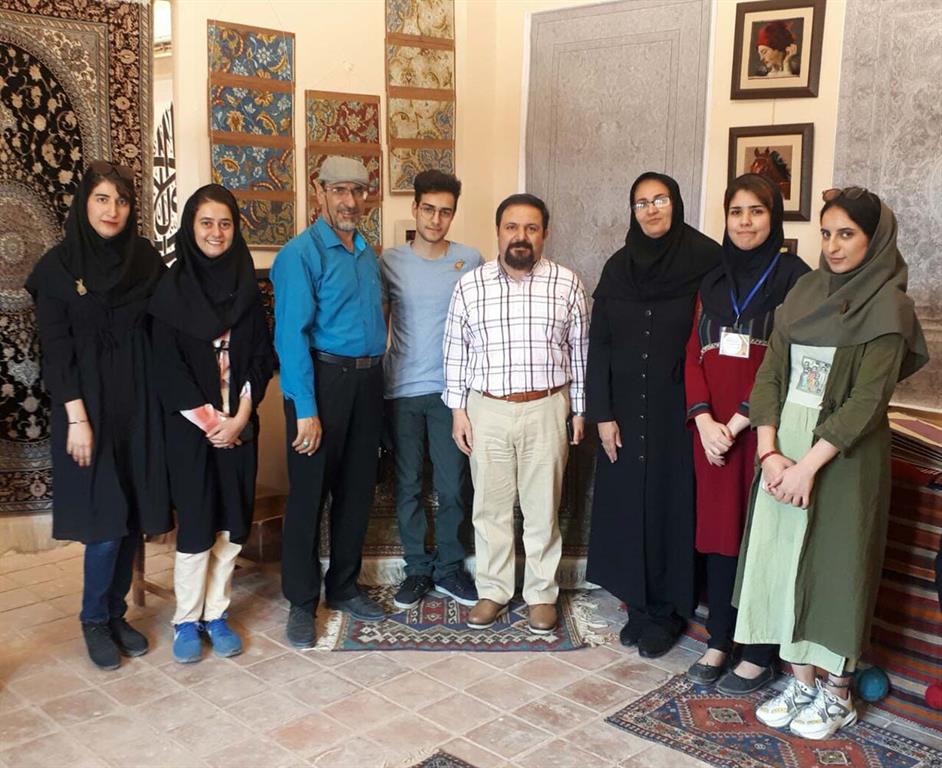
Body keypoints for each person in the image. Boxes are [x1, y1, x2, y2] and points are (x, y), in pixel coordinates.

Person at [734, 187, 928, 739]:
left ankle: (837, 694)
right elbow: (770, 375)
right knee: (781, 561)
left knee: (837, 566)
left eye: (847, 234)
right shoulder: (804, 291)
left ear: (875, 239)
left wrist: (806, 467)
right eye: (826, 233)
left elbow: (867, 401)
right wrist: (770, 452)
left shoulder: (890, 307)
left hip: (842, 455)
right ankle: (800, 682)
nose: (833, 245)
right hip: (783, 447)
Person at [25, 161, 171, 670]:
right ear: (84, 203)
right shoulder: (58, 268)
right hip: (86, 411)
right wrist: (77, 418)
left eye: (122, 201)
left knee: (131, 517)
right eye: (102, 199)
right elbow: (56, 351)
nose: (113, 210)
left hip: (139, 407)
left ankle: (115, 613)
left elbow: (168, 322)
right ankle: (92, 618)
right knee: (106, 523)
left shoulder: (144, 259)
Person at [585, 172, 722, 659]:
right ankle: (639, 607)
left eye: (659, 199)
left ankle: (668, 611)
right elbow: (600, 344)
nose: (651, 209)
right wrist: (602, 414)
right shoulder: (618, 267)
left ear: (676, 203)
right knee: (629, 508)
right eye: (641, 202)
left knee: (671, 506)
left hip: (679, 411)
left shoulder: (707, 260)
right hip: (623, 411)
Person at [683, 174, 809, 690]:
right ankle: (719, 639)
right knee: (719, 538)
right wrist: (703, 420)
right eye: (736, 211)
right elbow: (692, 354)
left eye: (757, 211)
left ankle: (758, 651)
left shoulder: (797, 279)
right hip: (712, 438)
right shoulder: (713, 279)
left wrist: (738, 422)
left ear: (773, 217)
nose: (745, 222)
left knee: (760, 537)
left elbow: (788, 361)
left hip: (764, 433)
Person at [443, 193, 588, 634]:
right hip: (486, 409)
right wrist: (458, 410)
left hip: (547, 406)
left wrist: (580, 409)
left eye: (530, 228)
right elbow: (455, 351)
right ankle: (493, 590)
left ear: (544, 233)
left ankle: (542, 594)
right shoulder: (471, 285)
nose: (520, 236)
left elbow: (580, 351)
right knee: (490, 508)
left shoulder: (567, 283)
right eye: (511, 227)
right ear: (498, 232)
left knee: (543, 508)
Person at [150, 184, 274, 663]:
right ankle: (186, 619)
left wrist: (240, 416)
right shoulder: (169, 291)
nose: (216, 232)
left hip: (240, 428)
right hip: (192, 433)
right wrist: (212, 423)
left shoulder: (248, 288)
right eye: (207, 223)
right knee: (198, 522)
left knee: (232, 523)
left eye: (225, 223)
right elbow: (168, 369)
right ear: (191, 227)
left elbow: (260, 358)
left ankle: (216, 614)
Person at [272, 156, 387, 648]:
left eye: (357, 191)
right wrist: (305, 408)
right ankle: (302, 602)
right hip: (321, 382)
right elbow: (290, 337)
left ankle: (342, 587)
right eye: (339, 190)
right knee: (308, 497)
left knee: (356, 491)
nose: (349, 201)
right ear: (319, 192)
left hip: (368, 381)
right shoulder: (300, 255)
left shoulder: (365, 252)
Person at [381, 170, 483, 609]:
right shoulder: (389, 261)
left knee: (453, 485)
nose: (436, 219)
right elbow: (378, 324)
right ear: (415, 208)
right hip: (401, 389)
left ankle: (449, 569)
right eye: (428, 209)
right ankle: (417, 569)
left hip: (451, 392)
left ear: (453, 214)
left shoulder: (471, 259)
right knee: (407, 484)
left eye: (445, 212)